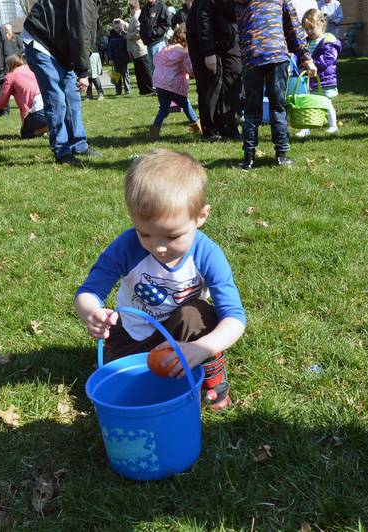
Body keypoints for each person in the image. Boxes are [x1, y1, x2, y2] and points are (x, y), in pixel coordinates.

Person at [74, 149, 246, 410]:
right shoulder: (127, 246)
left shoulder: (207, 254)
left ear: (201, 216)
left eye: (172, 236)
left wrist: (202, 347)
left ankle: (214, 382)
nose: (159, 247)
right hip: (134, 333)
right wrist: (90, 312)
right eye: (145, 234)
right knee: (130, 387)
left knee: (196, 313)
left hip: (184, 334)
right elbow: (90, 290)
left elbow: (234, 317)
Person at [235, 0, 317, 170]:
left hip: (252, 58)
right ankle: (281, 156)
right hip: (276, 56)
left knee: (251, 111)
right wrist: (306, 58)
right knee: (278, 107)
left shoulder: (238, 3)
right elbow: (293, 27)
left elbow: (241, 32)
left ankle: (248, 158)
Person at [23, 0, 102, 165]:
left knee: (71, 96)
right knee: (56, 98)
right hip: (41, 41)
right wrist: (82, 72)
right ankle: (62, 151)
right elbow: (79, 31)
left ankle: (79, 145)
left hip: (59, 47)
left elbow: (85, 32)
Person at [187, 0, 242, 140]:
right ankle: (210, 129)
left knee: (233, 80)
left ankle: (228, 125)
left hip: (229, 39)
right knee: (210, 85)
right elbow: (203, 20)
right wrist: (208, 52)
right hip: (205, 43)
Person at [148, 24, 201, 138]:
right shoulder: (183, 53)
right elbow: (189, 69)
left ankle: (154, 131)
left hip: (160, 84)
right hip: (173, 84)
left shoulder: (164, 49)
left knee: (163, 109)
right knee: (186, 105)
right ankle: (197, 126)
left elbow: (155, 61)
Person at [296, 9, 339, 137]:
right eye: (306, 29)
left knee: (326, 102)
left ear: (321, 23)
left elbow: (328, 58)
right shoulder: (307, 42)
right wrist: (302, 65)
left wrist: (312, 64)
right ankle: (307, 128)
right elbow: (302, 57)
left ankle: (333, 125)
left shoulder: (329, 41)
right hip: (311, 79)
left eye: (311, 28)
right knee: (309, 103)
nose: (308, 32)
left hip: (325, 79)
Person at [0, 54, 49, 139]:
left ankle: (47, 128)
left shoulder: (11, 76)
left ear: (9, 65)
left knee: (25, 134)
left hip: (38, 112)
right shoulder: (33, 69)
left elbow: (1, 104)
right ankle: (49, 125)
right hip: (50, 107)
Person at [127, 0, 155, 94]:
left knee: (145, 70)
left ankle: (150, 89)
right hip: (135, 50)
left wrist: (128, 35)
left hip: (140, 48)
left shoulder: (137, 16)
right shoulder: (136, 16)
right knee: (139, 71)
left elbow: (139, 32)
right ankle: (143, 90)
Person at [140, 0, 172, 73]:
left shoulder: (161, 6)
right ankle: (155, 84)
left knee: (160, 68)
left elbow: (167, 23)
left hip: (158, 43)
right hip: (148, 44)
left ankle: (162, 84)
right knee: (153, 70)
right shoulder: (145, 8)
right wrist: (142, 34)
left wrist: (155, 32)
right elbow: (141, 23)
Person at [108, 19, 131, 95]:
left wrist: (124, 32)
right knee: (116, 76)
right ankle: (118, 91)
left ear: (122, 26)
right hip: (115, 59)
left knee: (125, 75)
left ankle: (127, 90)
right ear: (113, 27)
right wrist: (110, 59)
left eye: (119, 27)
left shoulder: (124, 35)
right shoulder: (111, 36)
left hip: (124, 58)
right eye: (116, 27)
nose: (118, 29)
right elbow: (109, 48)